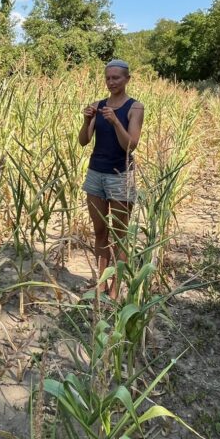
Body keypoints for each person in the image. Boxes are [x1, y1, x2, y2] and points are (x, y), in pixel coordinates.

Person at [78, 58, 145, 297]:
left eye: (116, 77)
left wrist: (116, 121)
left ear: (127, 79)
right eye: (108, 78)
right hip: (96, 174)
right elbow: (83, 141)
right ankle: (101, 282)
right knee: (99, 232)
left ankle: (115, 288)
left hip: (120, 176)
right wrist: (87, 120)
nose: (111, 82)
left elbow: (131, 145)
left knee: (119, 234)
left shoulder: (135, 107)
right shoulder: (98, 105)